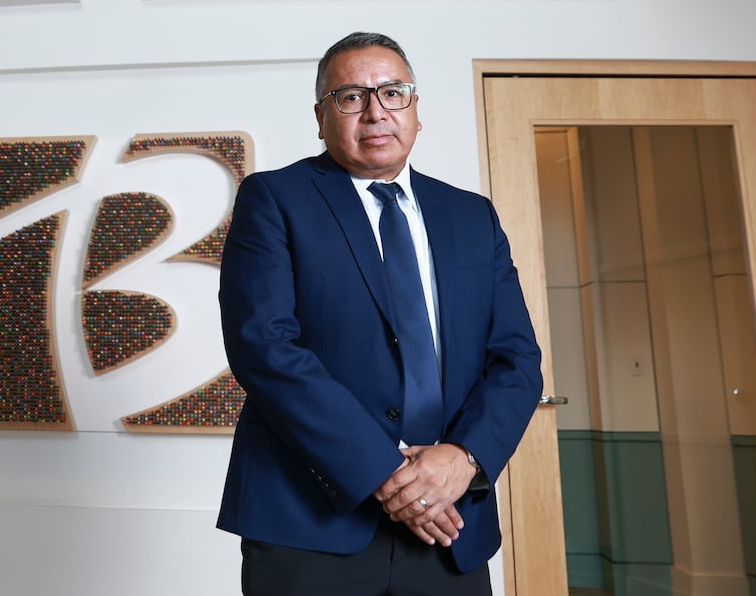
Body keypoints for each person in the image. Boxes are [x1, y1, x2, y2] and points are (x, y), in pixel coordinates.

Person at [218, 31, 543, 595]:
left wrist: (464, 459)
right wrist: (388, 475)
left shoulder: (472, 216)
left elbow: (516, 358)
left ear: (416, 111)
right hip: (310, 519)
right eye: (350, 97)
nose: (375, 112)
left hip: (450, 524)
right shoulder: (274, 199)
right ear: (321, 117)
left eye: (393, 93)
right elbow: (264, 347)